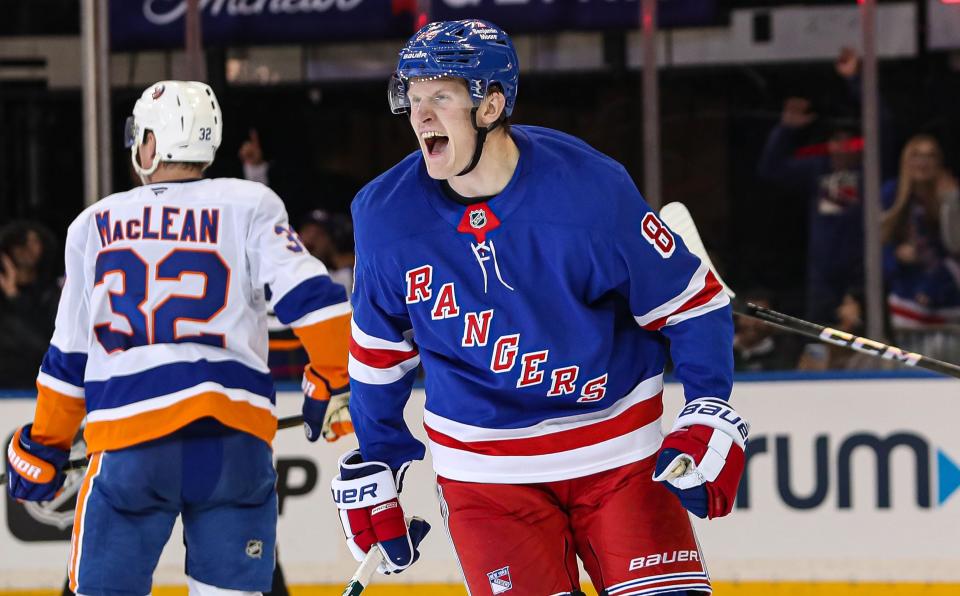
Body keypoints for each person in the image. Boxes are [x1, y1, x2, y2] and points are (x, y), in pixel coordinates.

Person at [330, 20, 748, 596]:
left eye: (441, 96)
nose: (420, 115)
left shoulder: (590, 190)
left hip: (621, 457)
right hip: (486, 479)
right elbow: (378, 353)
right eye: (414, 96)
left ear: (490, 104)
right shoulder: (383, 215)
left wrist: (706, 404)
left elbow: (692, 305)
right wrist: (379, 460)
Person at [5, 80, 352, 596]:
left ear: (151, 143)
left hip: (130, 447)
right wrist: (335, 376)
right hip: (233, 446)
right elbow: (315, 299)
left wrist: (48, 444)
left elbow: (70, 355)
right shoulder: (250, 203)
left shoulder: (93, 224)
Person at [757, 47, 880, 325]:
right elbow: (771, 169)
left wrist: (855, 81)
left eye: (850, 141)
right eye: (836, 140)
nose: (842, 147)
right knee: (818, 342)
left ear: (861, 146)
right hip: (822, 278)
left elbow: (882, 124)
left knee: (865, 340)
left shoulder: (869, 172)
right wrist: (785, 129)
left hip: (865, 275)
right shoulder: (818, 169)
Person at [881, 134, 960, 359]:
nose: (923, 162)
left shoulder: (951, 195)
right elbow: (878, 245)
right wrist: (897, 257)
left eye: (930, 156)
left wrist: (951, 202)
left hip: (949, 304)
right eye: (916, 155)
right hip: (907, 305)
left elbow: (955, 246)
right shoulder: (892, 194)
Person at [0, 220, 61, 387]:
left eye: (34, 241)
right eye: (20, 243)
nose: (27, 249)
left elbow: (46, 346)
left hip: (36, 386)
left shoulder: (51, 293)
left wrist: (15, 296)